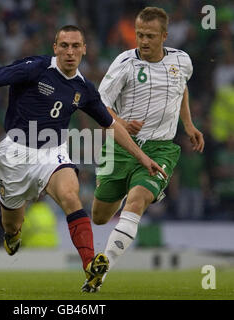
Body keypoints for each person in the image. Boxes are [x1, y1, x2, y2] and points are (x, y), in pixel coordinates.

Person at [0, 25, 166, 293]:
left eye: (76, 46)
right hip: (15, 154)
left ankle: (90, 265)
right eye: (64, 45)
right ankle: (12, 235)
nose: (70, 51)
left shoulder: (84, 88)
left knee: (70, 195)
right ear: (55, 48)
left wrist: (143, 158)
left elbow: (111, 125)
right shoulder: (35, 68)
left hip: (52, 152)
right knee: (12, 223)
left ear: (84, 50)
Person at [92, 7, 205, 288]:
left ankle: (102, 268)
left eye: (150, 36)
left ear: (164, 36)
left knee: (137, 201)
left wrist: (188, 125)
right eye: (140, 34)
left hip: (160, 149)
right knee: (100, 216)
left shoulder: (182, 61)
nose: (143, 41)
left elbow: (182, 88)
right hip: (119, 147)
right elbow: (100, 105)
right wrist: (120, 122)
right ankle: (123, 188)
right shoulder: (124, 63)